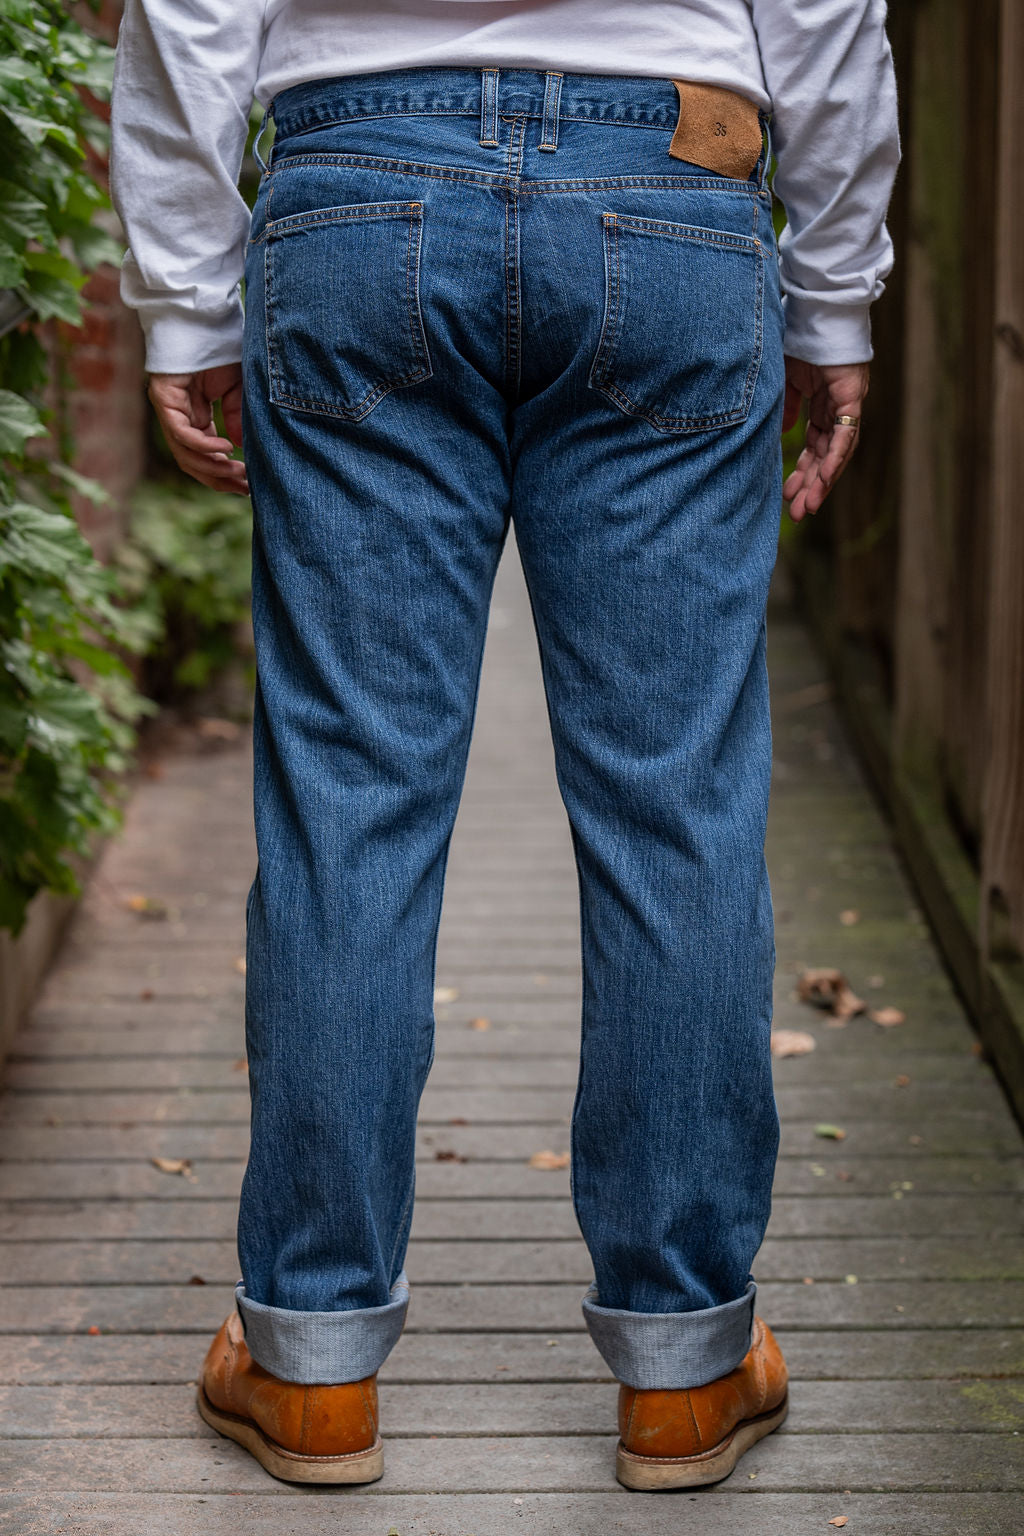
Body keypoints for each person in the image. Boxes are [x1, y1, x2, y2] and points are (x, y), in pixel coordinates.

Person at [110, 0, 899, 1491]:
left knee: (349, 795)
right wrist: (835, 294)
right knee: (676, 801)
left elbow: (191, 9)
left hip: (358, 182)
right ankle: (686, 1368)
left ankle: (310, 1365)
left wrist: (188, 300)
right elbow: (821, 12)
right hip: (672, 184)